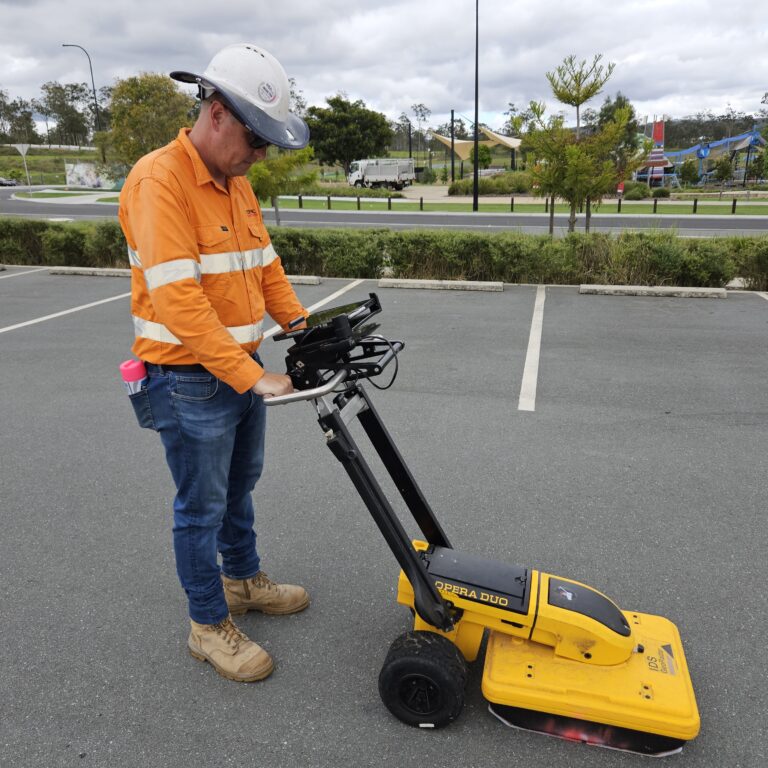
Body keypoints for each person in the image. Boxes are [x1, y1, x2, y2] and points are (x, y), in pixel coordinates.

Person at [118, 43, 311, 683]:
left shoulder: (237, 185)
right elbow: (180, 303)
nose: (260, 155)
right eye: (256, 139)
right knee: (199, 506)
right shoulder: (159, 181)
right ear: (218, 111)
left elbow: (267, 268)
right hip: (188, 382)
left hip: (237, 370)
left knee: (240, 486)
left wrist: (304, 330)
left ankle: (241, 580)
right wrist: (256, 377)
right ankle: (207, 622)